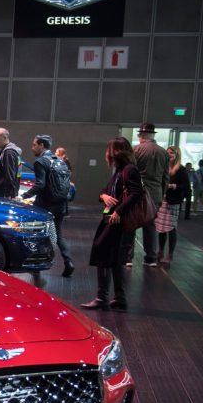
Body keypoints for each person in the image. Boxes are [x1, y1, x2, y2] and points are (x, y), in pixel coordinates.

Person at [81, 137, 143, 312]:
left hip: (118, 221)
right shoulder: (121, 170)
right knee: (114, 260)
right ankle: (119, 298)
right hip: (112, 219)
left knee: (104, 255)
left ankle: (103, 297)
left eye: (109, 150)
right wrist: (104, 197)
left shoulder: (129, 170)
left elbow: (136, 194)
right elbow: (104, 191)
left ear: (115, 151)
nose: (106, 154)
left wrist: (118, 211)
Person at [22, 135, 74, 277]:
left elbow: (40, 185)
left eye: (34, 145)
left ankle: (37, 265)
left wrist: (23, 196)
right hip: (61, 204)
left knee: (39, 234)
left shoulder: (40, 161)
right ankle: (69, 261)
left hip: (45, 205)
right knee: (57, 234)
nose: (32, 148)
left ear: (41, 145)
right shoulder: (60, 161)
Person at [129, 123, 168, 267]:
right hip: (156, 194)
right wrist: (162, 194)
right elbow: (165, 177)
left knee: (131, 223)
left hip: (138, 193)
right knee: (150, 225)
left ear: (141, 136)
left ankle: (128, 257)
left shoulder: (136, 150)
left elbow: (131, 173)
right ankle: (151, 257)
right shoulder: (163, 152)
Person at [154, 146, 191, 263]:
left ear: (176, 155)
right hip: (163, 200)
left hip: (173, 201)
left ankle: (170, 254)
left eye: (171, 153)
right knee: (161, 228)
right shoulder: (163, 167)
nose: (169, 155)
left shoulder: (181, 169)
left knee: (171, 228)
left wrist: (175, 186)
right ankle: (160, 251)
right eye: (167, 153)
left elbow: (186, 185)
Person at [0, 128, 21, 198]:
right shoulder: (13, 152)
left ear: (4, 138)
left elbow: (10, 175)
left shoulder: (8, 153)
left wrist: (8, 195)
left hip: (3, 196)